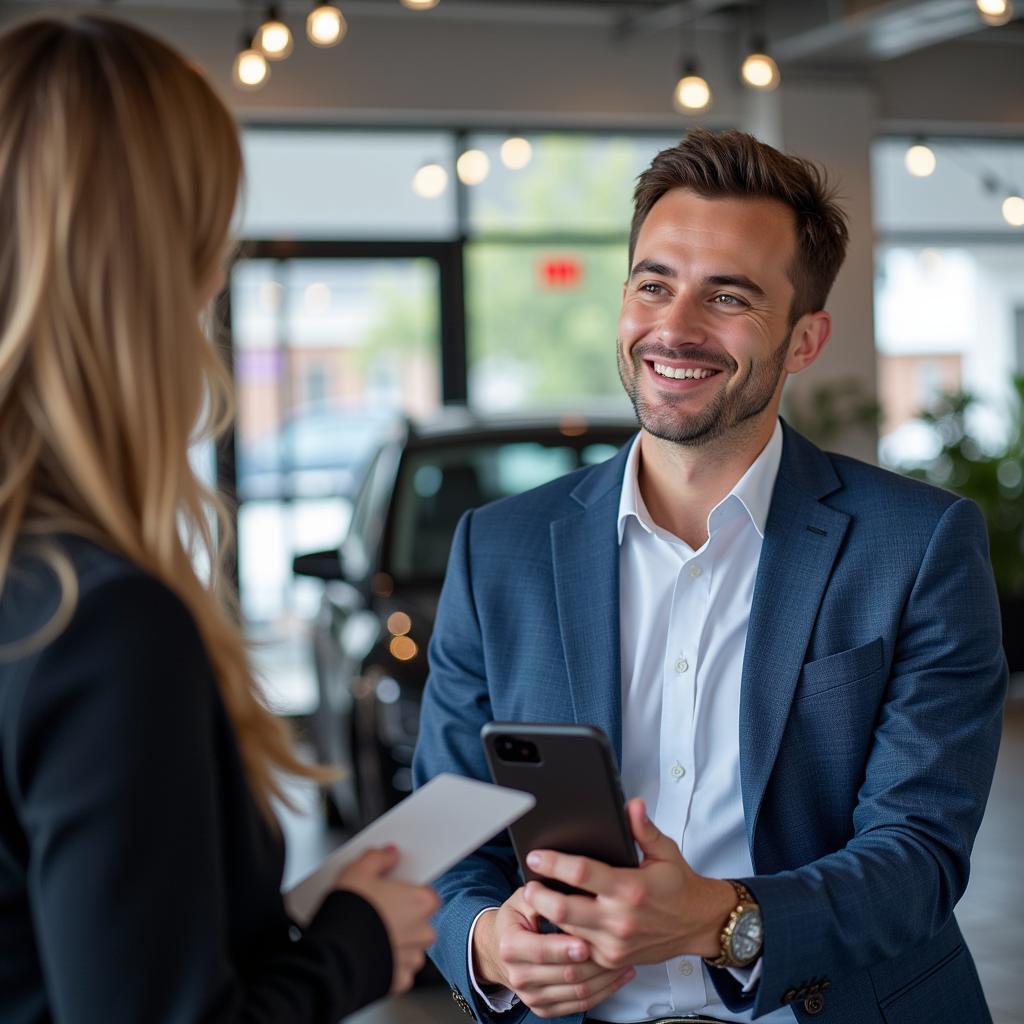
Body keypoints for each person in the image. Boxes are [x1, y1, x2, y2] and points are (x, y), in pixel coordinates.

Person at [412, 127, 1006, 1024]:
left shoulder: (918, 547)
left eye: (728, 297)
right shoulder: (498, 548)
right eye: (654, 284)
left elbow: (919, 854)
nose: (674, 328)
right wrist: (486, 942)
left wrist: (725, 921)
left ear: (805, 340)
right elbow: (440, 827)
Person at [0, 15, 438, 1023]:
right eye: (210, 239)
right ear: (153, 272)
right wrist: (354, 946)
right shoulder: (94, 621)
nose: (214, 281)